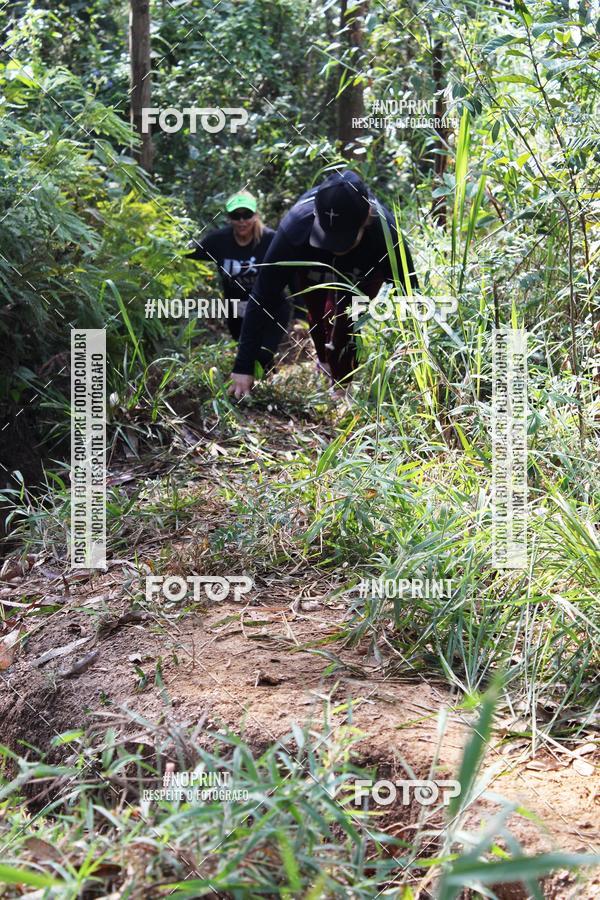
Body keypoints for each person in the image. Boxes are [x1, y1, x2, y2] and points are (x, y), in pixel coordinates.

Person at [228, 170, 418, 400]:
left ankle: (342, 388)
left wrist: (416, 365)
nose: (336, 248)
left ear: (366, 218)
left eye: (343, 239)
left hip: (362, 267)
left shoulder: (385, 233)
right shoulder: (296, 227)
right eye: (329, 237)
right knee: (318, 314)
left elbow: (410, 296)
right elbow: (262, 295)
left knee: (346, 320)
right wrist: (243, 366)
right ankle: (324, 362)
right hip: (312, 259)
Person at [189, 191, 289, 357]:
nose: (242, 221)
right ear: (229, 218)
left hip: (270, 309)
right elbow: (188, 254)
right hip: (237, 309)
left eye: (247, 215)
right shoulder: (218, 240)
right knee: (246, 355)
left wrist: (301, 313)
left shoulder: (271, 240)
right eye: (236, 216)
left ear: (255, 215)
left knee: (263, 355)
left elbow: (291, 271)